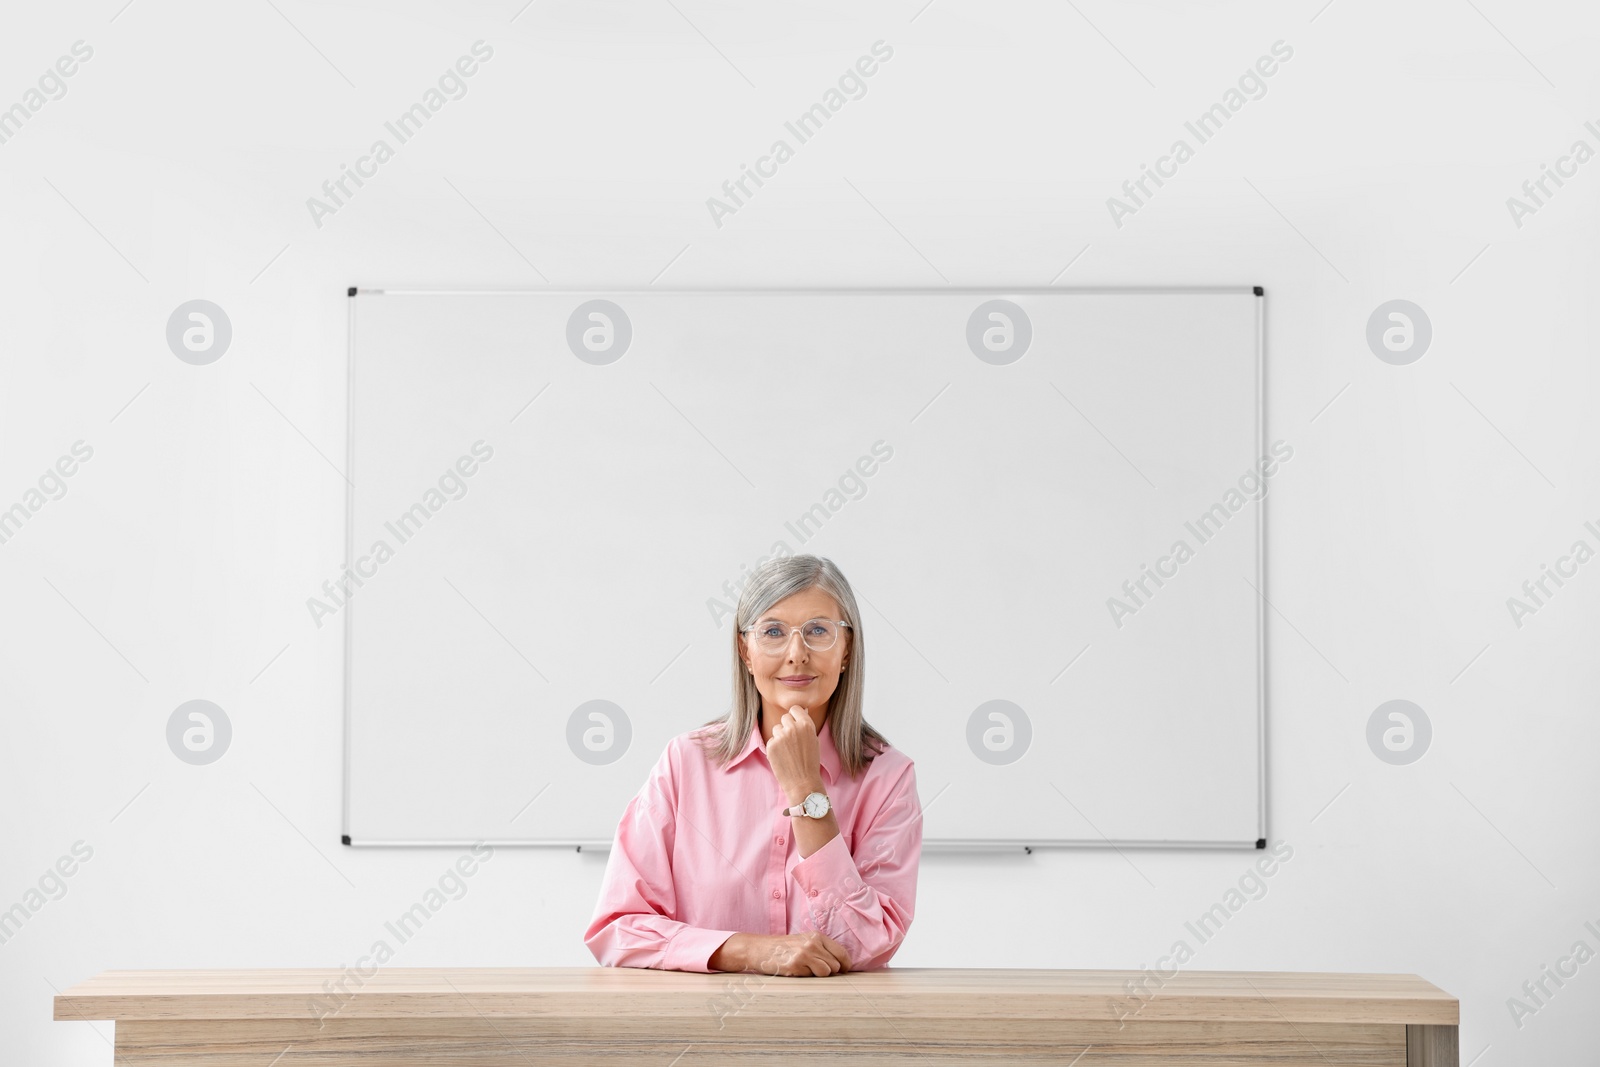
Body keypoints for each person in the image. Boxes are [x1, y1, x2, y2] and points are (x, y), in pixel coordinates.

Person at [584, 554, 921, 976]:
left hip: (835, 1031)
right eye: (773, 632)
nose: (797, 654)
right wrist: (748, 951)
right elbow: (619, 929)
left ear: (847, 648)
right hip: (699, 1033)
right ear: (746, 650)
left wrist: (806, 791)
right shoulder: (684, 763)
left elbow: (864, 946)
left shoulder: (888, 777)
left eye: (818, 631)